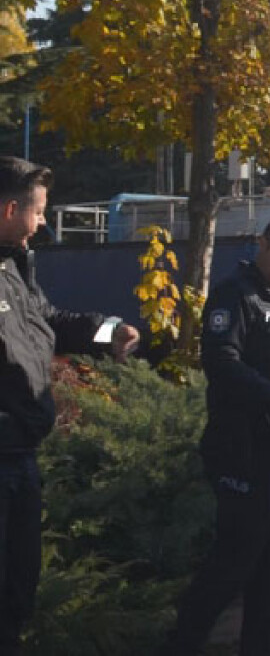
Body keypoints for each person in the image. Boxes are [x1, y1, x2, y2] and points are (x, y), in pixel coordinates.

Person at [164, 216, 270, 655]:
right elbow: (222, 362)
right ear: (262, 244)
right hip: (245, 452)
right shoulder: (235, 295)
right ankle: (180, 645)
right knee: (233, 564)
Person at [0, 157, 139, 654]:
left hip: (21, 456)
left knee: (18, 590)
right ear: (10, 208)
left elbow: (52, 321)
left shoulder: (15, 269)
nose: (42, 223)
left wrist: (109, 332)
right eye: (38, 212)